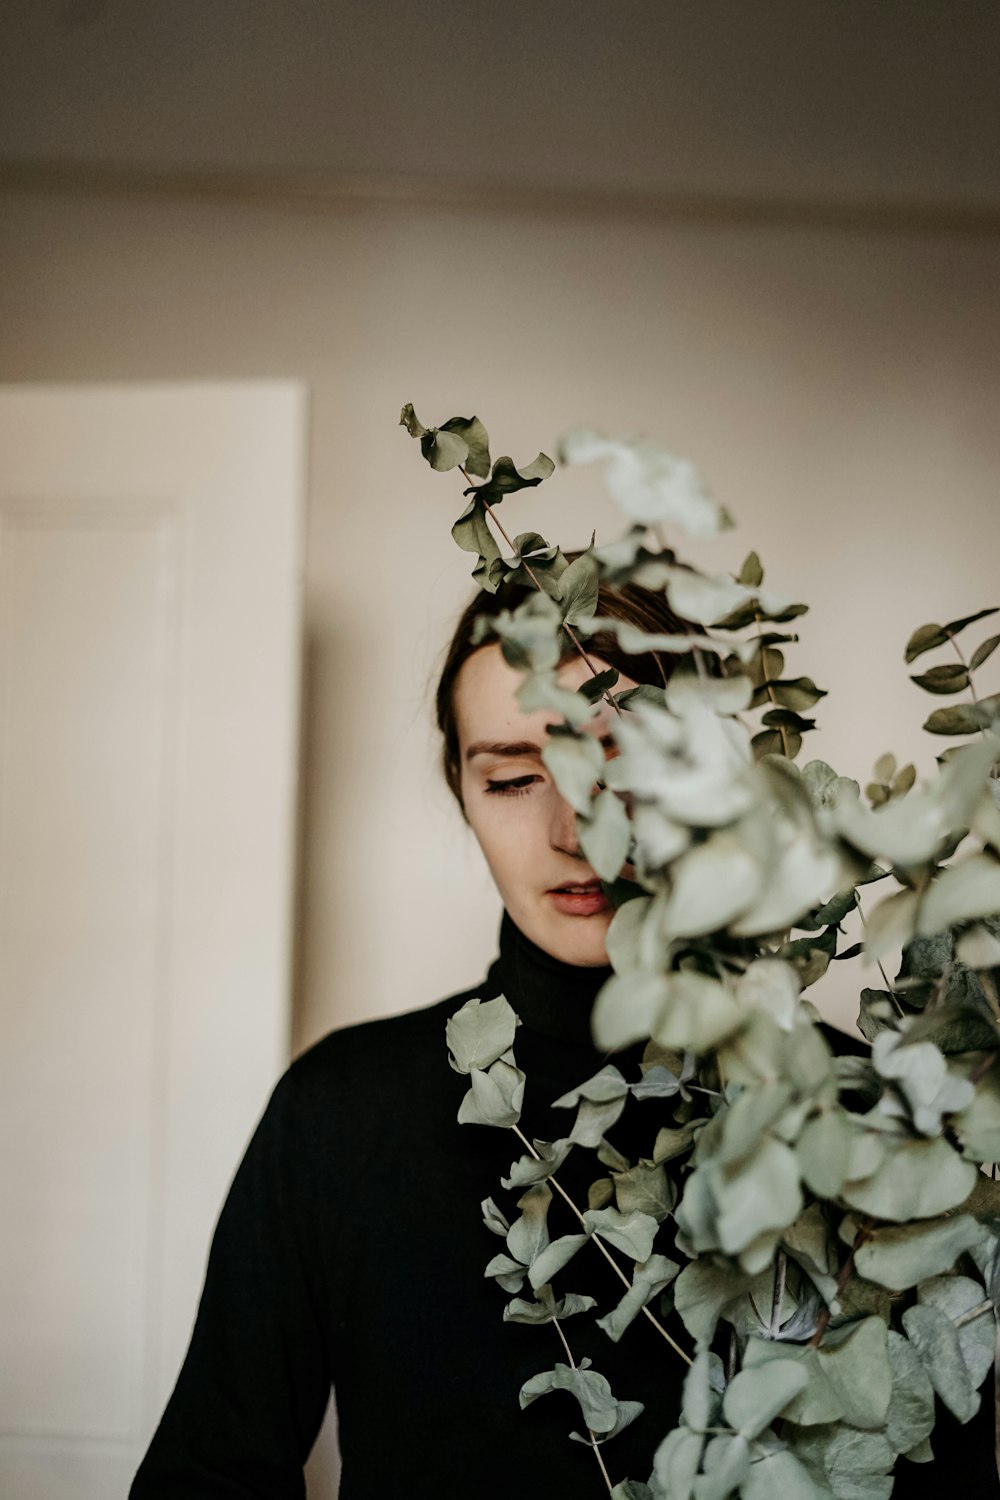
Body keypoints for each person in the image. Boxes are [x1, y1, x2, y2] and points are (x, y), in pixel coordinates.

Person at [130, 575, 997, 1499]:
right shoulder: (340, 1112)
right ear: (462, 794)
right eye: (511, 778)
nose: (573, 829)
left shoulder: (869, 1119)